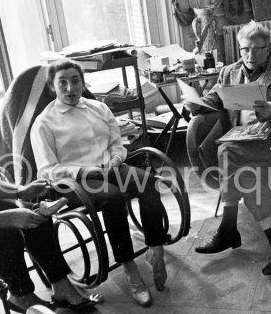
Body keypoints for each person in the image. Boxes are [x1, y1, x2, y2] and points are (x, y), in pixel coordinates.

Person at [29, 60, 167, 307]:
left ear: (83, 82)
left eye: (75, 81)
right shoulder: (44, 122)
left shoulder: (99, 108)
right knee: (113, 197)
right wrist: (85, 169)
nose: (70, 88)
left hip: (110, 168)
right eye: (63, 82)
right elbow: (48, 169)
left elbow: (117, 142)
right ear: (52, 86)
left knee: (148, 182)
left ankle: (156, 250)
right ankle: (129, 267)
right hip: (74, 182)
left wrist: (116, 158)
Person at [184, 21, 271, 276]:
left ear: (268, 49)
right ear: (239, 48)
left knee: (227, 151)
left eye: (257, 49)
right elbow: (215, 98)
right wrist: (196, 104)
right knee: (246, 174)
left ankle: (228, 228)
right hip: (243, 138)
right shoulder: (229, 72)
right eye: (245, 49)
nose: (250, 55)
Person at [0, 81, 97, 313]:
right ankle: (21, 296)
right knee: (6, 232)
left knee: (34, 216)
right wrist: (8, 217)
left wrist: (20, 191)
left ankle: (61, 285)